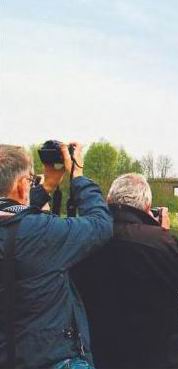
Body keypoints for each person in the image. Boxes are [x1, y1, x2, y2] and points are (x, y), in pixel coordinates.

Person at [0, 143, 113, 369]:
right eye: (31, 181)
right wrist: (78, 176)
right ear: (23, 187)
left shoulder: (23, 230)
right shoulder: (39, 233)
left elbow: (14, 213)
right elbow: (101, 225)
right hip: (51, 357)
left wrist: (48, 186)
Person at [71, 173, 178, 369]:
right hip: (161, 355)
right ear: (147, 206)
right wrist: (162, 233)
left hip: (104, 352)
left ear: (108, 200)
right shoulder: (157, 240)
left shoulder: (87, 236)